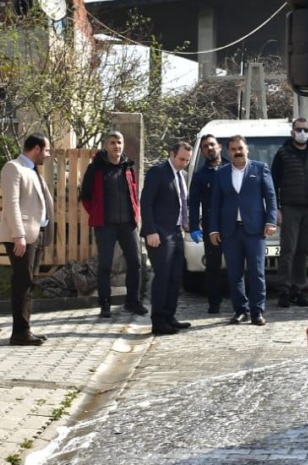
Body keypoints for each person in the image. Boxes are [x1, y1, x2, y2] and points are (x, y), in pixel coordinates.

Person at [206, 136, 278, 327]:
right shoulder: (221, 174)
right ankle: (240, 310)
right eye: (233, 149)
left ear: (247, 149)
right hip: (230, 231)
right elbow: (216, 203)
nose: (237, 151)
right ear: (228, 151)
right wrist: (213, 229)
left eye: (240, 148)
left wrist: (271, 221)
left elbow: (271, 197)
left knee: (256, 272)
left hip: (254, 229)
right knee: (234, 273)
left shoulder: (260, 169)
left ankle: (257, 312)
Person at [79, 131, 147, 320]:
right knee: (105, 266)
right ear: (106, 146)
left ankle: (132, 302)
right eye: (112, 142)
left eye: (119, 142)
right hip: (105, 225)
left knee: (135, 262)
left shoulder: (128, 167)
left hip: (128, 224)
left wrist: (136, 214)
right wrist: (96, 213)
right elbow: (85, 197)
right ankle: (105, 304)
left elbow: (133, 194)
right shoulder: (96, 169)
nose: (116, 146)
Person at [0, 134, 54, 347]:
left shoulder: (32, 170)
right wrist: (18, 235)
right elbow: (11, 204)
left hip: (36, 234)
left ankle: (25, 328)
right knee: (22, 282)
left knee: (28, 282)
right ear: (37, 148)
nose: (48, 155)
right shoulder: (13, 168)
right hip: (21, 236)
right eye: (47, 151)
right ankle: (19, 332)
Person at [270, 117, 308, 309]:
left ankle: (297, 290)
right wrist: (276, 208)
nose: (302, 132)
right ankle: (284, 291)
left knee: (303, 250)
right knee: (288, 250)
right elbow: (273, 183)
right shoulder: (283, 154)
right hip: (290, 207)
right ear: (292, 132)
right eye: (299, 129)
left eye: (305, 129)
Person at [140, 141, 194, 336]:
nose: (183, 163)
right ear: (172, 154)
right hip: (160, 234)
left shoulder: (183, 175)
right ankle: (158, 321)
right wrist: (150, 231)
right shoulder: (158, 172)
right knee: (162, 277)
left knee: (175, 277)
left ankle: (170, 316)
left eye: (187, 160)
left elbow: (182, 202)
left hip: (177, 231)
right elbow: (146, 203)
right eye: (181, 159)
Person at [186, 133, 227, 314]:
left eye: (212, 145)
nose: (210, 148)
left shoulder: (232, 168)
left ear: (219, 147)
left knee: (237, 265)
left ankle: (242, 304)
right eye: (205, 147)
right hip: (212, 227)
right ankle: (214, 303)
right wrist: (194, 227)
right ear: (202, 152)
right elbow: (193, 203)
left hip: (234, 224)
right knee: (213, 267)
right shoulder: (200, 175)